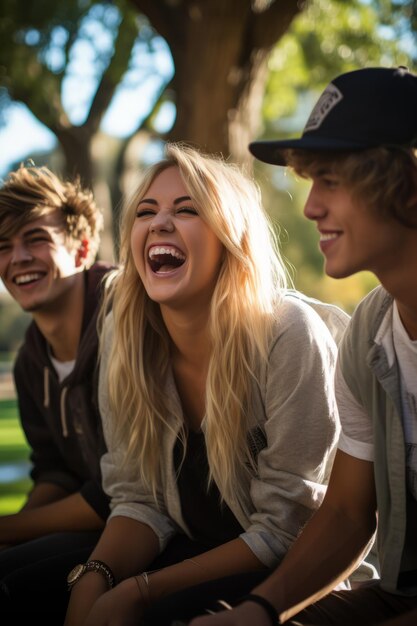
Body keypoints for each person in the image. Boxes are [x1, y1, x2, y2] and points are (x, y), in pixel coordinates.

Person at [63, 142, 349, 626]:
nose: (159, 223)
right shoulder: (125, 332)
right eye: (146, 212)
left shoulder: (288, 334)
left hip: (297, 582)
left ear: (231, 238)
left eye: (188, 209)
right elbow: (139, 497)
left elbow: (287, 530)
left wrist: (140, 591)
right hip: (190, 549)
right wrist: (95, 577)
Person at [187, 66, 417, 626]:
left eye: (332, 179)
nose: (310, 207)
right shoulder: (369, 334)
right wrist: (260, 611)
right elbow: (343, 512)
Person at [0, 165, 114, 622]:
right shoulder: (31, 359)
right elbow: (55, 470)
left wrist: (9, 526)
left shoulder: (126, 320)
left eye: (36, 239)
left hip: (162, 527)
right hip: (103, 522)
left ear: (83, 248)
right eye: (3, 247)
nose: (18, 258)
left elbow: (122, 490)